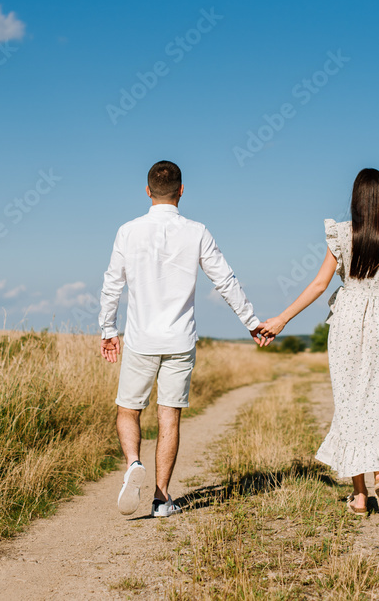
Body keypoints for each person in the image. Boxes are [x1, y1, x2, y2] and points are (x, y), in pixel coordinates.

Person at [98, 160, 267, 517]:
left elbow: (112, 284)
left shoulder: (128, 231)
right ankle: (161, 499)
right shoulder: (197, 232)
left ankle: (133, 463)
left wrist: (108, 329)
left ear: (148, 191)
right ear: (181, 190)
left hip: (141, 340)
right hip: (179, 341)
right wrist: (251, 321)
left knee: (128, 410)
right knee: (169, 417)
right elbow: (225, 280)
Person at [260, 168, 379, 514]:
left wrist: (282, 319)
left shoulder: (342, 234)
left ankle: (360, 495)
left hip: (348, 317)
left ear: (356, 199)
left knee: (350, 403)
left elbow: (319, 284)